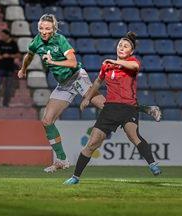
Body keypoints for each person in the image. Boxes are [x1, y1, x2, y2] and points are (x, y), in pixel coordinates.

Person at [64, 32, 162, 185]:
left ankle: (152, 164)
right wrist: (88, 98)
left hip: (129, 108)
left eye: (126, 46)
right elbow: (97, 82)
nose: (122, 48)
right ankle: (75, 177)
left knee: (133, 135)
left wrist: (115, 62)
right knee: (92, 143)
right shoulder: (107, 65)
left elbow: (134, 66)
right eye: (120, 45)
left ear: (131, 51)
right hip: (110, 109)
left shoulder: (132, 62)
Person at [17, 14, 94, 173]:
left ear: (53, 29)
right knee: (46, 121)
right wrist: (23, 69)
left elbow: (72, 62)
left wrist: (52, 62)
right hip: (64, 84)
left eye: (48, 28)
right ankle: (61, 160)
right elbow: (29, 55)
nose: (44, 31)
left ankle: (135, 110)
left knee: (103, 104)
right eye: (41, 28)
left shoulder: (60, 40)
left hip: (77, 76)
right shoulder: (36, 42)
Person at [0, 29, 20, 107]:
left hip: (10, 67)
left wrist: (9, 56)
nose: (2, 37)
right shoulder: (0, 43)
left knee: (8, 86)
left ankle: (5, 103)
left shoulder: (13, 44)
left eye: (3, 35)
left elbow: (18, 55)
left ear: (8, 35)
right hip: (0, 67)